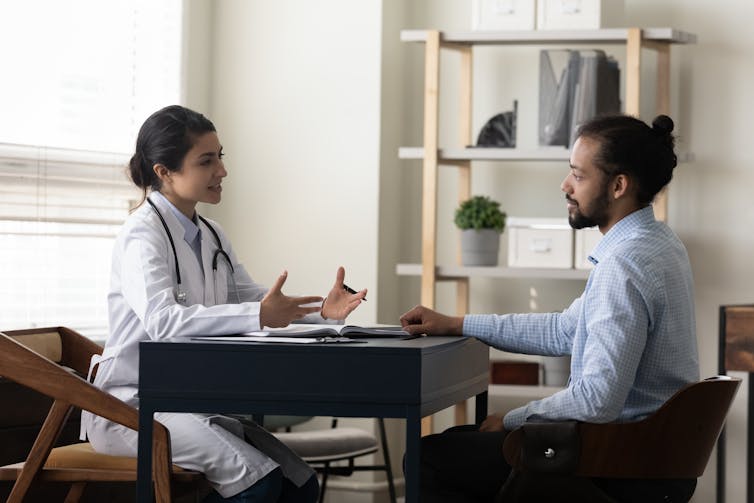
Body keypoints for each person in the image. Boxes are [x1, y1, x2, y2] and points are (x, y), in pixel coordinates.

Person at [399, 114, 700, 503]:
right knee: (459, 442)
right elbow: (564, 330)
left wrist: (511, 419)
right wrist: (457, 323)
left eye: (578, 175)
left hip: (618, 463)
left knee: (428, 458)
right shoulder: (659, 243)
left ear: (619, 185)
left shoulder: (624, 266)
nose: (565, 185)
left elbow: (597, 400)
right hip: (652, 459)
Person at [82, 105, 367, 502]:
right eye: (206, 160)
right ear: (164, 171)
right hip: (132, 408)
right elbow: (164, 321)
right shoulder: (140, 236)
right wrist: (259, 313)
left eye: (220, 157)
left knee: (299, 484)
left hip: (188, 401)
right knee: (260, 483)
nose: (222, 171)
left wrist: (322, 309)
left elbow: (252, 300)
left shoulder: (211, 234)